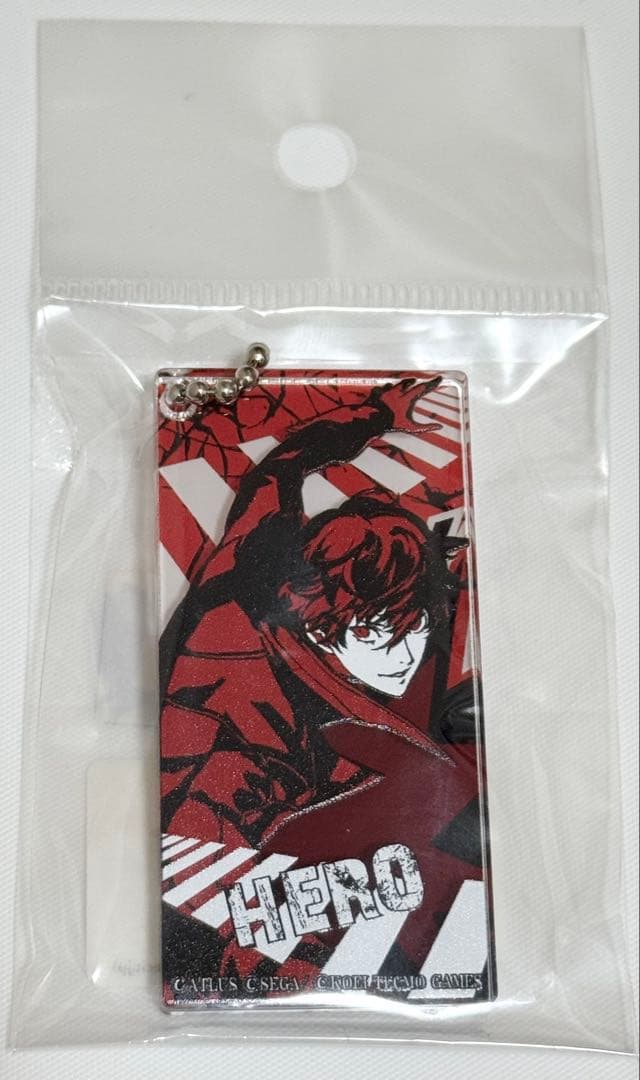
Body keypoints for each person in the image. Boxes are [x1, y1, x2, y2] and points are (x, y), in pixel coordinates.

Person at [160, 378, 486, 992]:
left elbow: (281, 467)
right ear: (321, 625)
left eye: (416, 625)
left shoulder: (254, 556)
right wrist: (304, 971)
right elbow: (195, 872)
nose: (404, 654)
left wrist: (375, 412)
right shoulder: (256, 732)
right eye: (377, 631)